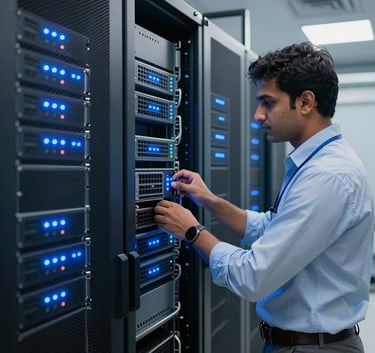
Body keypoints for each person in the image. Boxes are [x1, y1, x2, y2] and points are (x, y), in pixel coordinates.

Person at [154, 42, 374, 353]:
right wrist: (210, 201)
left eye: (268, 103)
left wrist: (192, 232)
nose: (258, 116)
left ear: (306, 102)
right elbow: (272, 226)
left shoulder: (327, 176)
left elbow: (253, 276)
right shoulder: (315, 163)